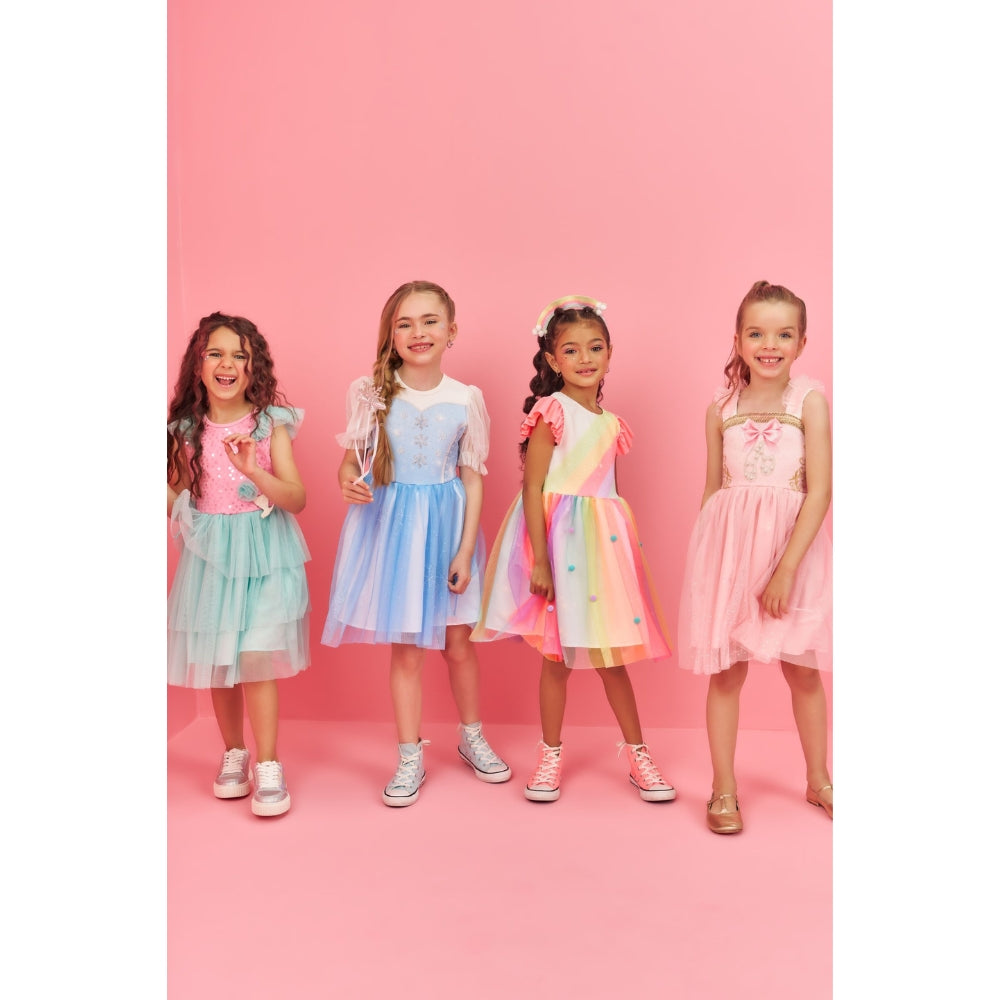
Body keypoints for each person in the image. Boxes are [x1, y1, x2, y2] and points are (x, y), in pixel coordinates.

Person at [472, 296, 674, 804]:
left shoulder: (611, 423)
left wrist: (619, 555)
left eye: (595, 347)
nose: (585, 358)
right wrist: (540, 559)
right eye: (571, 350)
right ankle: (550, 755)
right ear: (552, 359)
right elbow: (534, 487)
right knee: (556, 658)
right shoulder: (552, 411)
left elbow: (607, 496)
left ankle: (639, 755)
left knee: (611, 659)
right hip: (557, 545)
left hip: (601, 548)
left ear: (609, 353)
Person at [322, 280, 510, 807]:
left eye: (429, 321)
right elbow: (350, 461)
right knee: (406, 650)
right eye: (404, 323)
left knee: (458, 645)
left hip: (448, 530)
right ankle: (409, 754)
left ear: (451, 331)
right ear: (391, 334)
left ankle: (472, 736)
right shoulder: (371, 393)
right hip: (396, 533)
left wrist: (466, 549)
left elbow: (472, 477)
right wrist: (347, 482)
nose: (418, 332)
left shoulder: (466, 398)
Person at [678, 280, 833, 834]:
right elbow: (713, 491)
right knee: (726, 675)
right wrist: (709, 571)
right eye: (757, 334)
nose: (770, 345)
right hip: (730, 557)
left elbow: (820, 490)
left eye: (784, 335)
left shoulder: (808, 401)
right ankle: (723, 788)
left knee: (804, 672)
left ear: (802, 342)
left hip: (792, 554)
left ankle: (819, 780)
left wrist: (786, 570)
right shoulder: (720, 408)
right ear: (739, 340)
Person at [167, 312, 309, 818]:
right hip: (211, 560)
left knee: (255, 658)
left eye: (240, 355)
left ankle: (268, 762)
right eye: (216, 354)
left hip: (266, 554)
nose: (227, 364)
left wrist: (254, 471)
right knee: (219, 659)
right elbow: (177, 495)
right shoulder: (186, 430)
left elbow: (296, 498)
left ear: (254, 367)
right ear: (198, 365)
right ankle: (234, 752)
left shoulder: (270, 424)